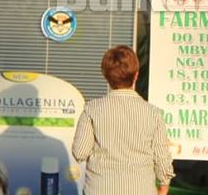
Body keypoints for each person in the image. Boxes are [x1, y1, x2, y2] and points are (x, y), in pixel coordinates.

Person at [72, 45, 175, 195]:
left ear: (106, 76)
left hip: (100, 189)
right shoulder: (153, 113)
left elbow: (80, 152)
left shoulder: (92, 110)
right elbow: (162, 158)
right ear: (136, 75)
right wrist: (164, 187)